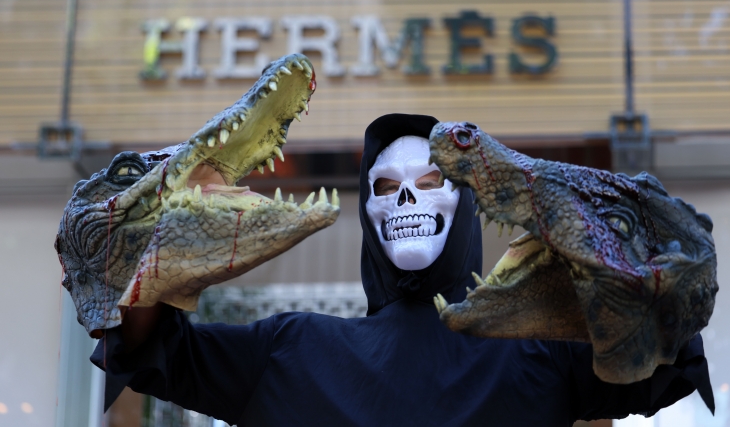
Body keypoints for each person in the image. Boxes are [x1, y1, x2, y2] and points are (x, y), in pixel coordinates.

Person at [93, 113, 713, 426]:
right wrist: (162, 232)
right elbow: (150, 347)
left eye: (433, 181)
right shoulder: (289, 349)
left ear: (466, 200)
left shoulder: (540, 355)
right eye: (386, 187)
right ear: (367, 210)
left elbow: (666, 342)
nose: (408, 201)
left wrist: (591, 230)